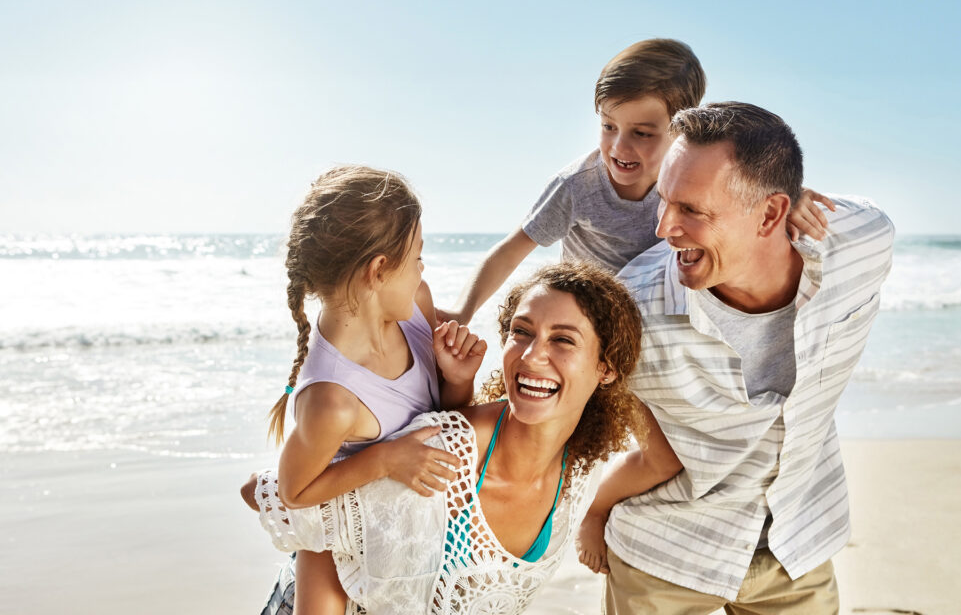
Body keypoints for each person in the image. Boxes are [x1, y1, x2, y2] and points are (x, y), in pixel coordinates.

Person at [576, 102, 895, 613]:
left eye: (691, 211)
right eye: (664, 201)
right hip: (668, 549)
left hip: (798, 543)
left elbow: (867, 217)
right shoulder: (630, 312)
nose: (663, 228)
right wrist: (590, 513)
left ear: (772, 212)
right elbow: (559, 410)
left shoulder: (858, 244)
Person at [243, 262, 672, 614]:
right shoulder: (440, 454)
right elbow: (284, 507)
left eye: (562, 339)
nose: (530, 355)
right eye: (520, 331)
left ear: (607, 368)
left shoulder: (579, 470)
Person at [438, 39, 830, 324]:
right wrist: (463, 311)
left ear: (681, 131)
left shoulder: (699, 180)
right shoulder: (578, 185)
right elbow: (511, 249)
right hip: (593, 316)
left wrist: (789, 196)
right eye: (608, 126)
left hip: (663, 315)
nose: (619, 146)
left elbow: (750, 187)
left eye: (642, 133)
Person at [259, 165, 488, 615]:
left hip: (405, 558)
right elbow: (294, 491)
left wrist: (458, 378)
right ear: (379, 270)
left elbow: (445, 419)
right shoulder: (333, 400)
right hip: (344, 573)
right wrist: (384, 459)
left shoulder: (416, 305)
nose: (423, 269)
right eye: (418, 256)